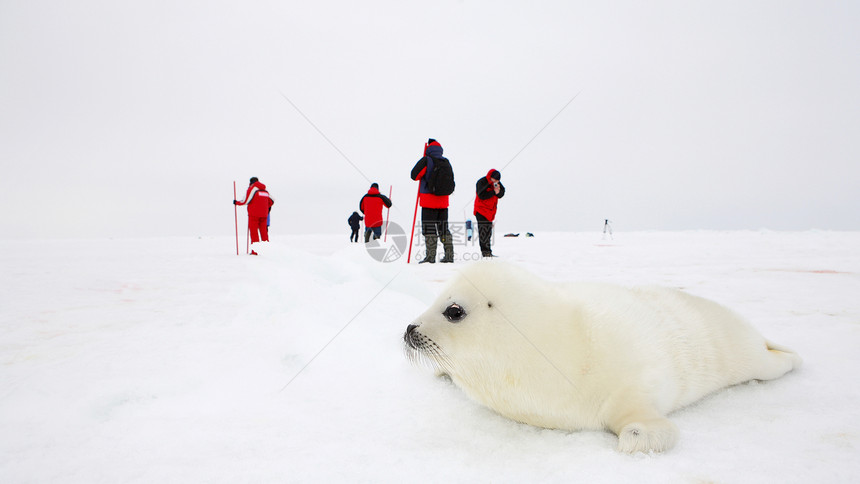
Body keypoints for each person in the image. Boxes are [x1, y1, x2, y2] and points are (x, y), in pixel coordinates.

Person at [410, 139, 455, 263]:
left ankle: (430, 257)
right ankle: (449, 256)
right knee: (443, 229)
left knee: (429, 229)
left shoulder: (426, 160)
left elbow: (414, 175)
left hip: (428, 201)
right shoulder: (446, 162)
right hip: (443, 201)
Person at [234, 177, 274, 255]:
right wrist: (265, 206)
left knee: (254, 233)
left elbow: (245, 201)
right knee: (264, 233)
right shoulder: (265, 191)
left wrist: (236, 202)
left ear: (250, 182)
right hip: (264, 215)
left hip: (254, 214)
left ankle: (255, 252)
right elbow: (272, 200)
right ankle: (266, 251)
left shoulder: (252, 188)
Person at [474, 169, 505, 257]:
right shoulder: (482, 182)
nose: (495, 181)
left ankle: (488, 251)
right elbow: (481, 195)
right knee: (483, 232)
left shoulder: (497, 184)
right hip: (481, 210)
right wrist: (493, 192)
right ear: (490, 177)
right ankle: (485, 252)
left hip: (490, 212)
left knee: (488, 232)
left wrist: (498, 192)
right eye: (494, 179)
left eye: (497, 180)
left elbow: (501, 194)